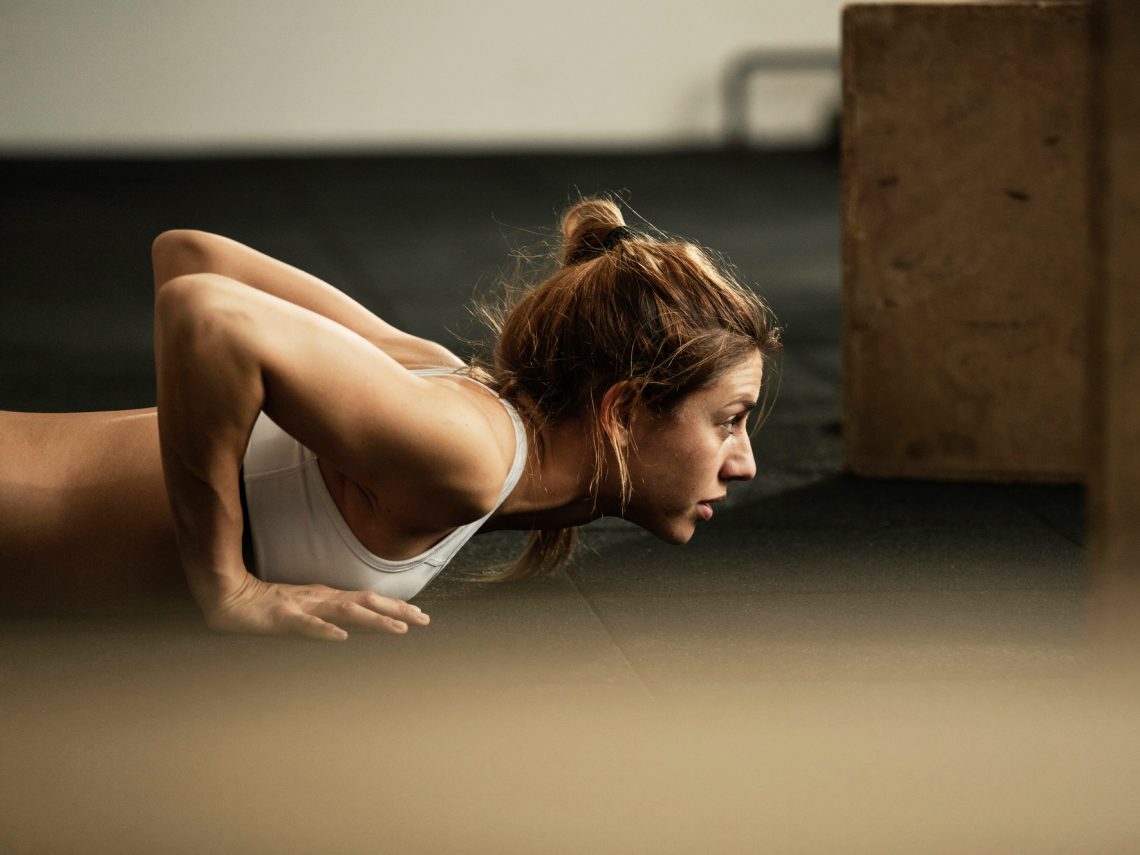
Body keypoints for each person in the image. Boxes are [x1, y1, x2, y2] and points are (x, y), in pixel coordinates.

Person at [0, 198, 780, 640]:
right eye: (729, 419)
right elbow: (203, 310)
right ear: (622, 411)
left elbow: (191, 251)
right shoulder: (469, 452)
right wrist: (226, 586)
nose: (744, 461)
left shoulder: (448, 383)